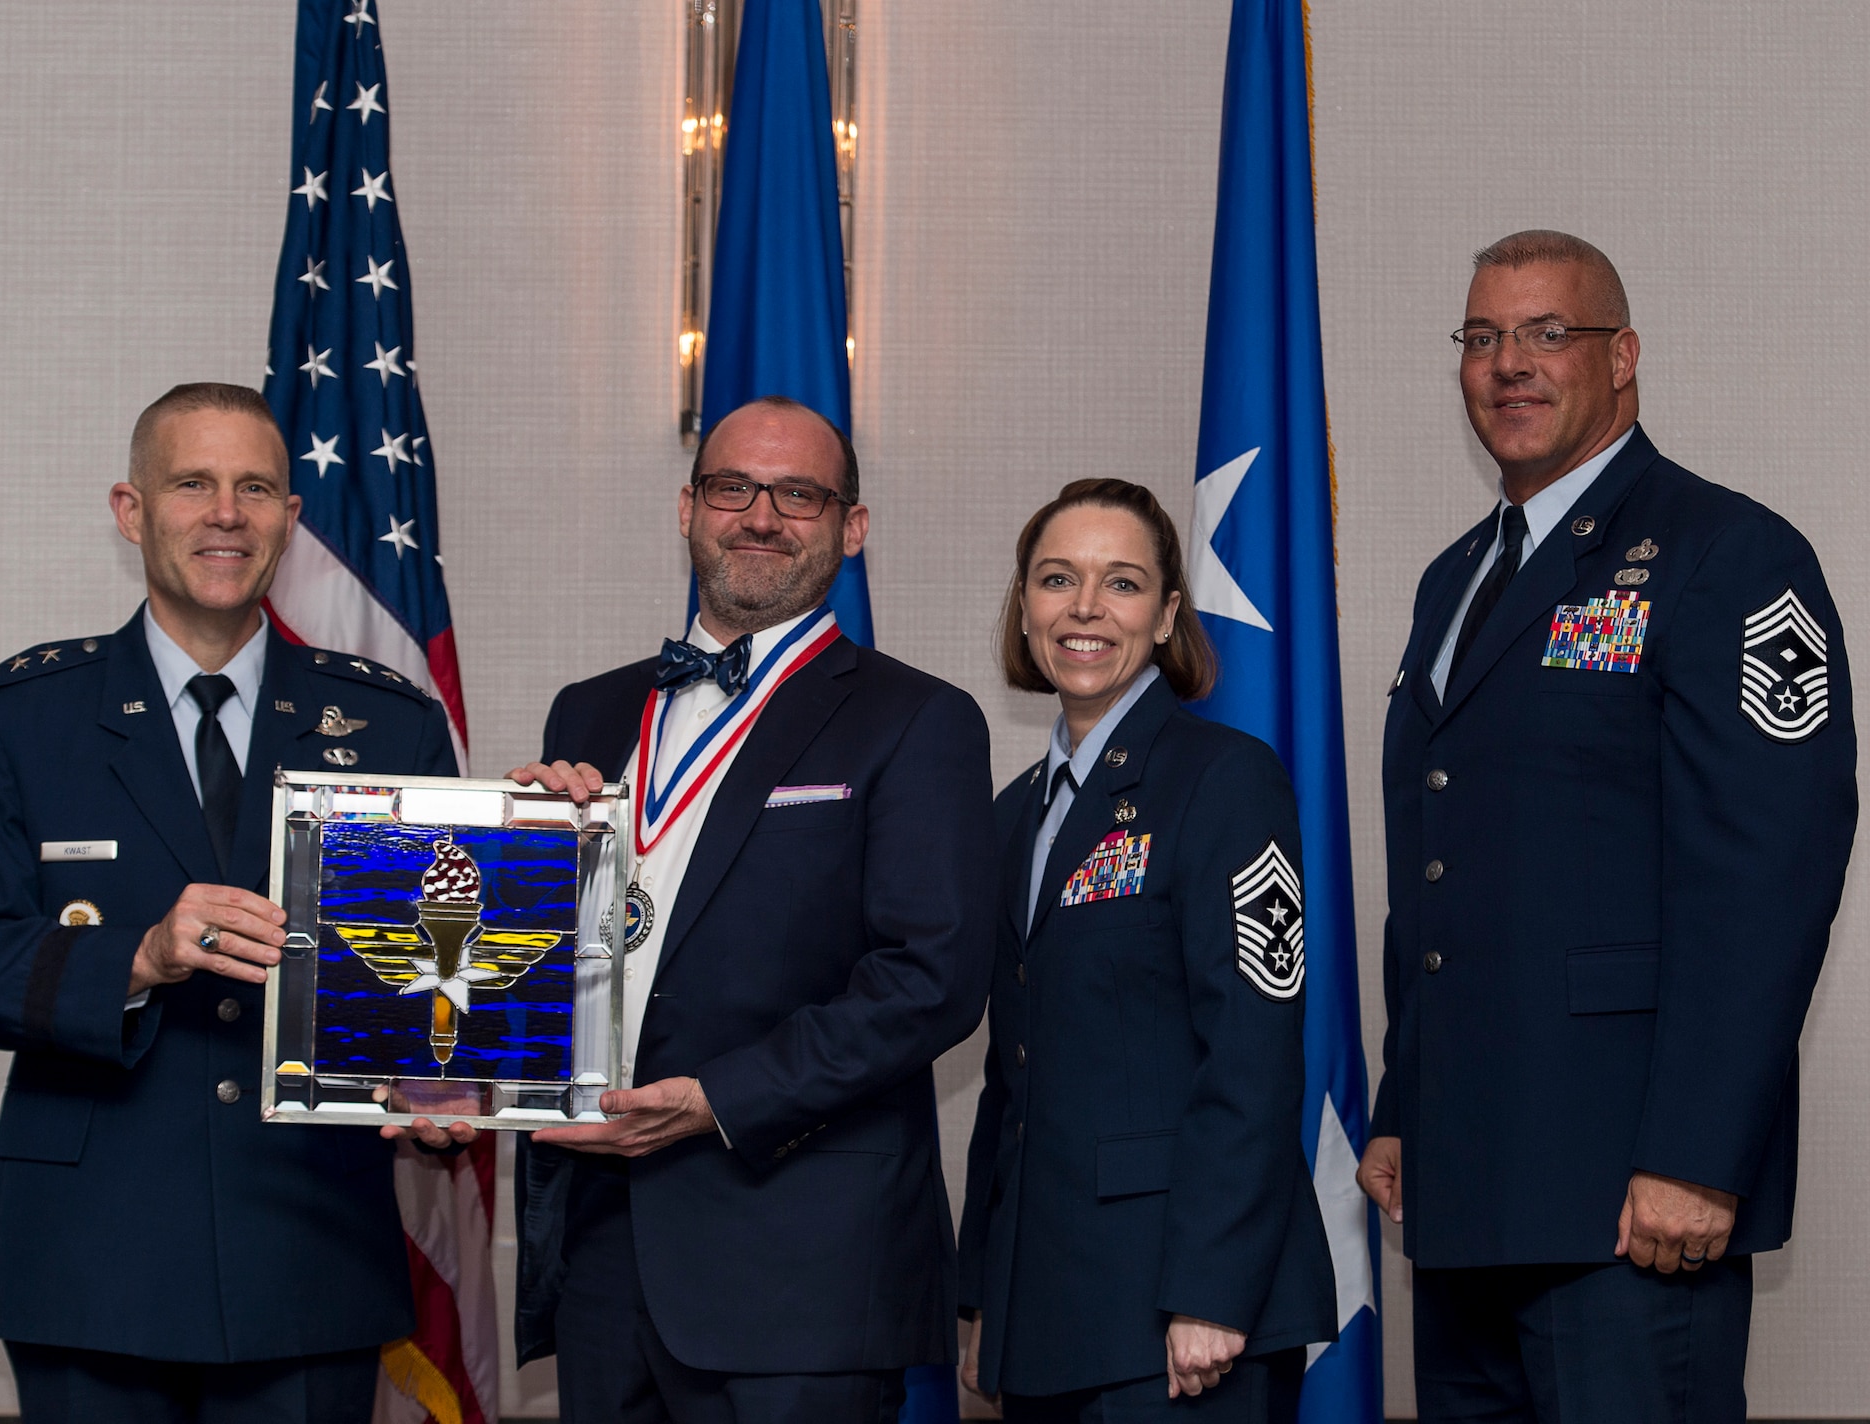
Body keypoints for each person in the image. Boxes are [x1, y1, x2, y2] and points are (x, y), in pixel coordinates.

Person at [1361, 231, 1857, 1422]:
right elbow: (1441, 866)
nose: (1507, 364)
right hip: (1469, 1181)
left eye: (1546, 332)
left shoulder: (1725, 554)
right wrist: (1400, 1102)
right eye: (1480, 337)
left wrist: (1694, 1152)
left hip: (1629, 1199)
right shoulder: (1455, 579)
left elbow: (1766, 874)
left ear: (1620, 356)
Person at [0, 383, 468, 1423]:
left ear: (289, 521)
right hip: (89, 1252)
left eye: (255, 487)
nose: (226, 512)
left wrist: (439, 1087)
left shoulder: (390, 726)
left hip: (306, 1251)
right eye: (193, 484)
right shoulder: (26, 718)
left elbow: (431, 971)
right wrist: (138, 956)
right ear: (132, 510)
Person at [507, 395, 996, 1424]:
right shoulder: (585, 709)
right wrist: (517, 866)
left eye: (800, 494)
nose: (760, 516)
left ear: (850, 526)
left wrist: (718, 1096)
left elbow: (930, 978)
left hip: (801, 1267)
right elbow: (548, 958)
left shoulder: (916, 718)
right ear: (688, 506)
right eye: (733, 487)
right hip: (605, 1253)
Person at [956, 479, 1336, 1421]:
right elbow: (1013, 1079)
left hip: (1187, 1313)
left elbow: (1252, 1053)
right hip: (1046, 1312)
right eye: (1056, 580)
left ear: (1168, 615)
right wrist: (979, 1297)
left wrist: (1211, 1288)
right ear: (1026, 606)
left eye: (1121, 584)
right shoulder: (1011, 817)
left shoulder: (1225, 780)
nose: (1084, 609)